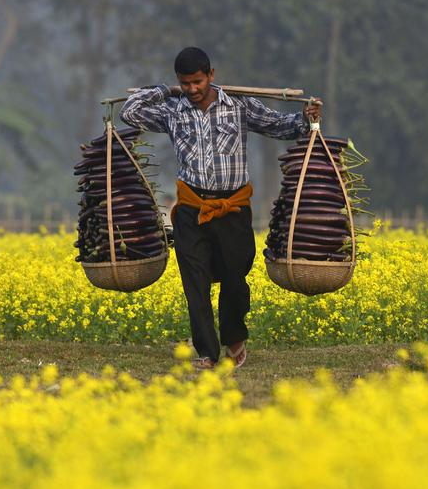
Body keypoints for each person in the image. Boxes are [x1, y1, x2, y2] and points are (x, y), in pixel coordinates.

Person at [121, 46, 322, 370]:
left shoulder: (239, 106)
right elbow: (129, 113)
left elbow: (281, 126)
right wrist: (161, 91)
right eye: (185, 83)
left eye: (198, 81)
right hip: (191, 208)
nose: (192, 89)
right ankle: (206, 352)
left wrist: (306, 117)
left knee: (235, 279)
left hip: (232, 208)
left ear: (211, 75)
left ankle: (234, 337)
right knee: (194, 282)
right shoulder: (173, 111)